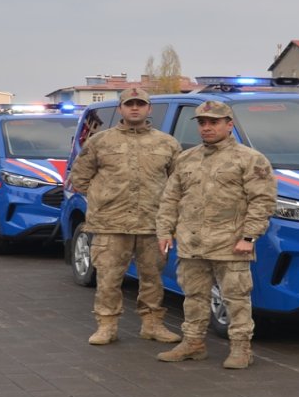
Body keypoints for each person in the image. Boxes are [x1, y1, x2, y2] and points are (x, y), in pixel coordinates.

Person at [156, 101, 277, 369]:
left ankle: (241, 349)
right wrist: (164, 230)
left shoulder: (250, 159)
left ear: (229, 125)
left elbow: (262, 201)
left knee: (236, 298)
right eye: (202, 123)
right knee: (193, 296)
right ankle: (193, 343)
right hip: (192, 243)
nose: (207, 127)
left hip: (230, 244)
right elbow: (170, 198)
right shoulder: (186, 158)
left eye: (214, 122)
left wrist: (249, 237)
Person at [69, 87, 182, 345]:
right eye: (129, 104)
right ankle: (106, 326)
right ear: (120, 108)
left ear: (149, 109)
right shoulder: (100, 142)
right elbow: (80, 178)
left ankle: (152, 324)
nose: (135, 108)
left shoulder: (167, 143)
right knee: (108, 278)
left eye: (140, 104)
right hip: (111, 225)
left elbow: (177, 182)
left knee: (153, 278)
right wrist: (105, 198)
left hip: (152, 224)